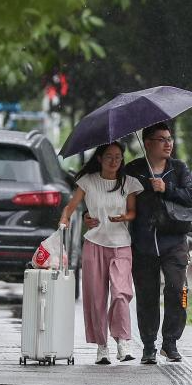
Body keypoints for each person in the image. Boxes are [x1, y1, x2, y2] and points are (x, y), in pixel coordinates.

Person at [59, 142, 144, 364]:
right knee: (95, 298)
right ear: (99, 158)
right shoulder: (88, 181)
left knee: (120, 294)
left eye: (118, 157)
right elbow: (71, 207)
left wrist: (125, 217)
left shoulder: (129, 183)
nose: (114, 161)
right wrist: (64, 219)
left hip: (121, 244)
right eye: (109, 156)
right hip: (94, 243)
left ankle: (123, 342)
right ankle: (101, 347)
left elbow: (133, 211)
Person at [124, 122, 192, 363]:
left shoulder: (178, 168)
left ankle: (170, 342)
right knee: (147, 295)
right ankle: (148, 345)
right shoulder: (134, 170)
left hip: (174, 242)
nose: (168, 143)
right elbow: (118, 197)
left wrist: (167, 188)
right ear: (147, 144)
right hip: (143, 243)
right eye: (162, 139)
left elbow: (191, 196)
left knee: (179, 290)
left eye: (170, 139)